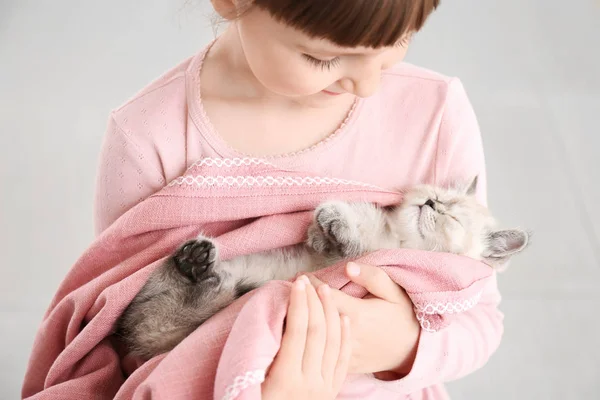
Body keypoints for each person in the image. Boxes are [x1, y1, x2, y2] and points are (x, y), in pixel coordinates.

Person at [93, 0, 503, 398]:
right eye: (323, 58)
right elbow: (120, 327)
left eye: (397, 41)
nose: (368, 84)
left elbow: (480, 316)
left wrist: (403, 345)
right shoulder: (149, 136)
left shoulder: (435, 113)